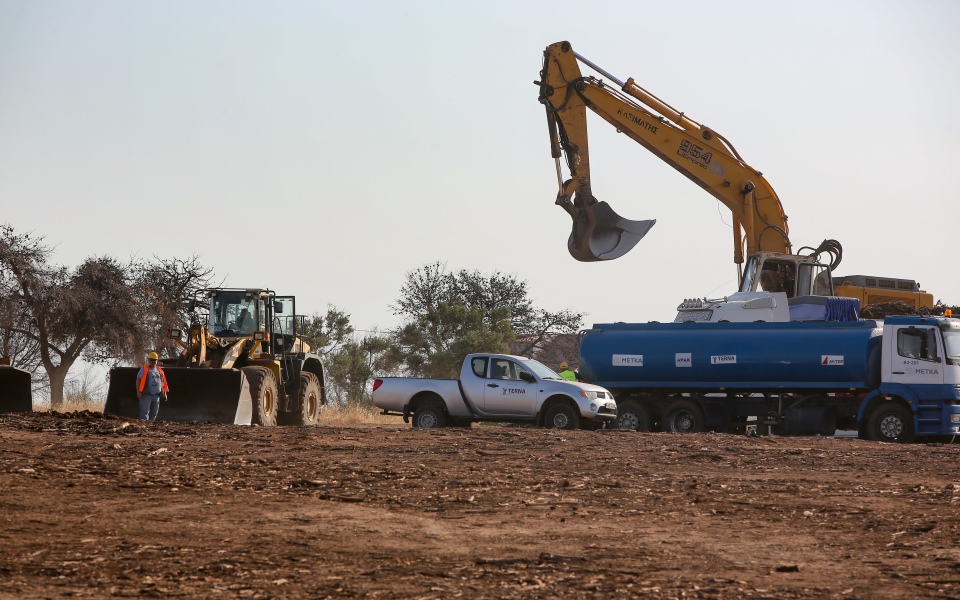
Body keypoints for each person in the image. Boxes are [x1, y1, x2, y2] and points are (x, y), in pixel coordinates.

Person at [136, 352, 169, 421]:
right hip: (146, 395)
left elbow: (163, 382)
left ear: (157, 360)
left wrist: (164, 393)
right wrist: (138, 392)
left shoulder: (159, 370)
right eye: (151, 360)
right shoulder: (144, 369)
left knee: (154, 413)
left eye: (155, 360)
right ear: (149, 360)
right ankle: (144, 426)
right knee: (145, 413)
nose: (153, 361)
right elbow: (138, 380)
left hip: (157, 396)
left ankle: (150, 426)